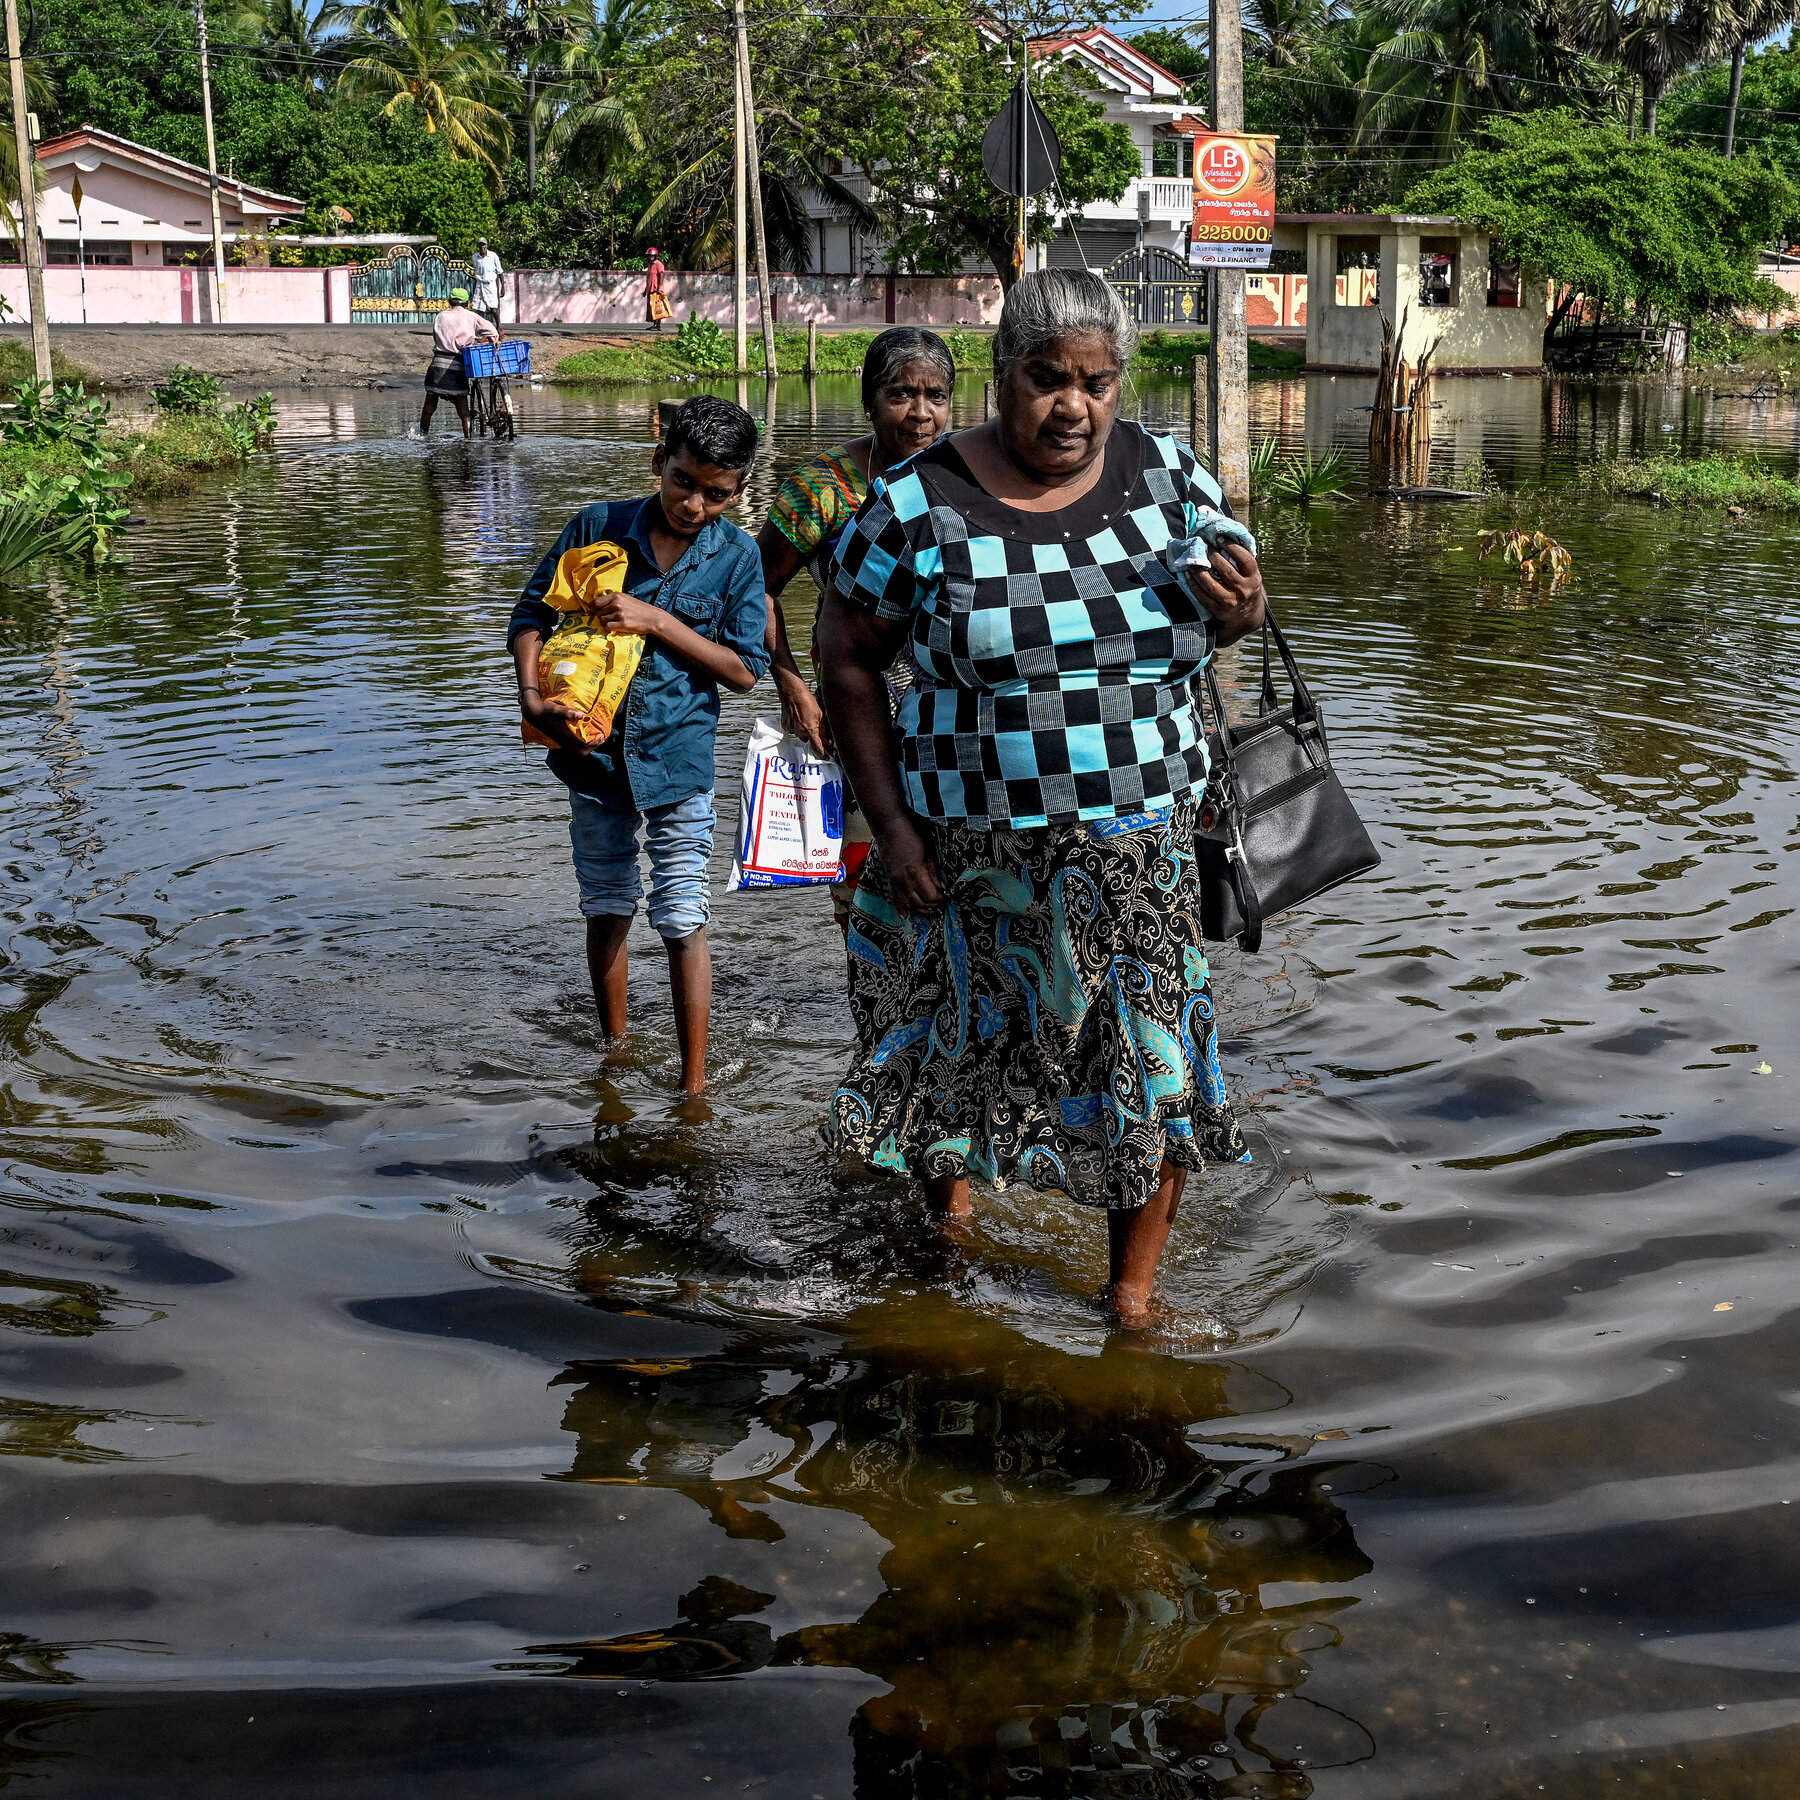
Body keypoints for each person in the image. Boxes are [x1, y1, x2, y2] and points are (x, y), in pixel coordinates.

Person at [817, 269, 1268, 1328]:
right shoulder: (918, 501)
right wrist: (891, 826)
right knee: (945, 1057)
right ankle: (947, 1233)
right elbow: (846, 659)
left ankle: (1131, 1301)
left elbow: (1232, 613)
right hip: (966, 852)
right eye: (1048, 379)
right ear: (1000, 374)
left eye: (1099, 382)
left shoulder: (1168, 474)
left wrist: (1245, 611)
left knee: (1148, 1068)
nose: (1075, 406)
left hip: (1135, 842)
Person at [507, 395, 770, 1094]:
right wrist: (534, 695)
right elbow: (532, 612)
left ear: (738, 491)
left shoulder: (738, 558)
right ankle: (613, 1056)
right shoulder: (598, 527)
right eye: (683, 481)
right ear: (660, 464)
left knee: (682, 915)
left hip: (679, 758)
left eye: (716, 494)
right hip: (590, 754)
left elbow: (745, 671)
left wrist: (656, 620)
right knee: (607, 903)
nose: (694, 503)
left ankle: (692, 1086)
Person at [758, 325, 953, 922]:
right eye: (900, 394)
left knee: (957, 881)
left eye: (936, 396)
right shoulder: (823, 488)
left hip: (951, 713)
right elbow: (756, 589)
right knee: (872, 880)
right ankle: (874, 998)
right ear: (869, 399)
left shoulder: (967, 477)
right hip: (859, 709)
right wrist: (790, 684)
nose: (921, 413)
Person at [419, 286, 499, 438]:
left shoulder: (441, 316)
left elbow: (436, 336)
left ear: (450, 301)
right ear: (467, 303)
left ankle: (422, 435)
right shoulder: (472, 316)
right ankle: (467, 439)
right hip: (458, 366)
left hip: (437, 364)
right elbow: (493, 332)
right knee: (463, 410)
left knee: (429, 407)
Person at [471, 238, 505, 323]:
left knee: (493, 308)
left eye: (484, 244)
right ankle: (482, 328)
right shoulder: (475, 257)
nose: (482, 246)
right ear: (478, 246)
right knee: (479, 308)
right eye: (480, 245)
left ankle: (498, 326)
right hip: (480, 284)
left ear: (486, 245)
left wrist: (502, 287)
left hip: (490, 284)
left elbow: (500, 272)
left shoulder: (493, 256)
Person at [645, 247, 670, 331]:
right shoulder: (650, 265)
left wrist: (659, 287)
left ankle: (658, 325)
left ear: (655, 256)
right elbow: (649, 278)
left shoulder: (658, 264)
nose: (650, 257)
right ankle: (654, 324)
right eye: (649, 256)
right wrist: (645, 290)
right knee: (652, 308)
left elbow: (662, 275)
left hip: (656, 289)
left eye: (652, 256)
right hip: (650, 289)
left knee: (657, 308)